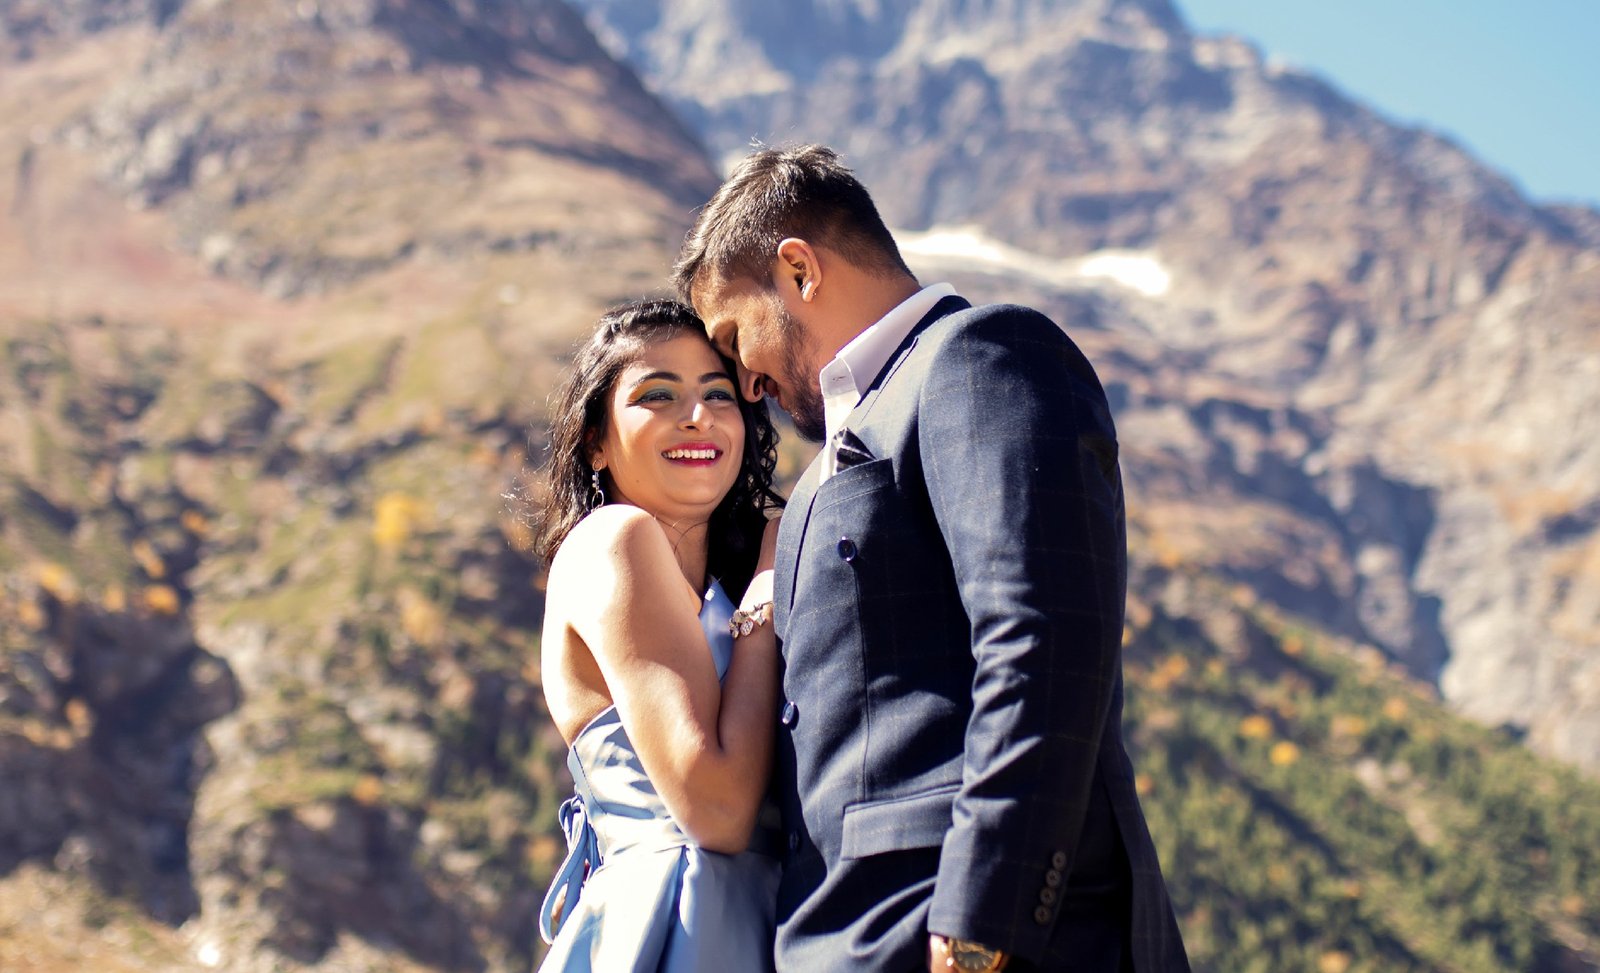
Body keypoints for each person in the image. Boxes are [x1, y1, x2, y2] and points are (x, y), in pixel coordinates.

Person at [676, 145, 1191, 973]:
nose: (745, 383)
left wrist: (982, 921)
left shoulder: (980, 357)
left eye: (736, 336)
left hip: (980, 942)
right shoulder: (817, 477)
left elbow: (1040, 639)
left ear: (799, 270)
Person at [528, 299, 786, 971]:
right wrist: (767, 597)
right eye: (656, 395)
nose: (695, 415)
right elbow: (720, 812)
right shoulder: (615, 539)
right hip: (676, 924)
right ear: (596, 441)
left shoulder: (737, 573)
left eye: (718, 394)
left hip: (775, 918)